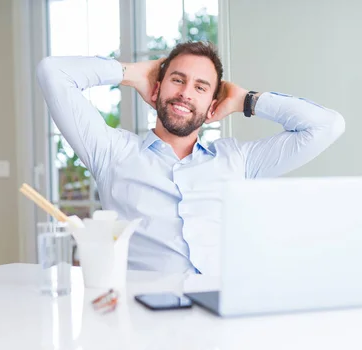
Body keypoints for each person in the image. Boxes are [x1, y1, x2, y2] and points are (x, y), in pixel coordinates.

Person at [37, 41, 345, 276]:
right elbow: (53, 72)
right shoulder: (111, 151)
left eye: (200, 87)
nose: (186, 93)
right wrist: (131, 74)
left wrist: (248, 101)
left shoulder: (239, 160)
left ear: (213, 106)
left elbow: (326, 126)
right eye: (177, 80)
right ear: (156, 89)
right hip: (142, 320)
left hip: (220, 318)